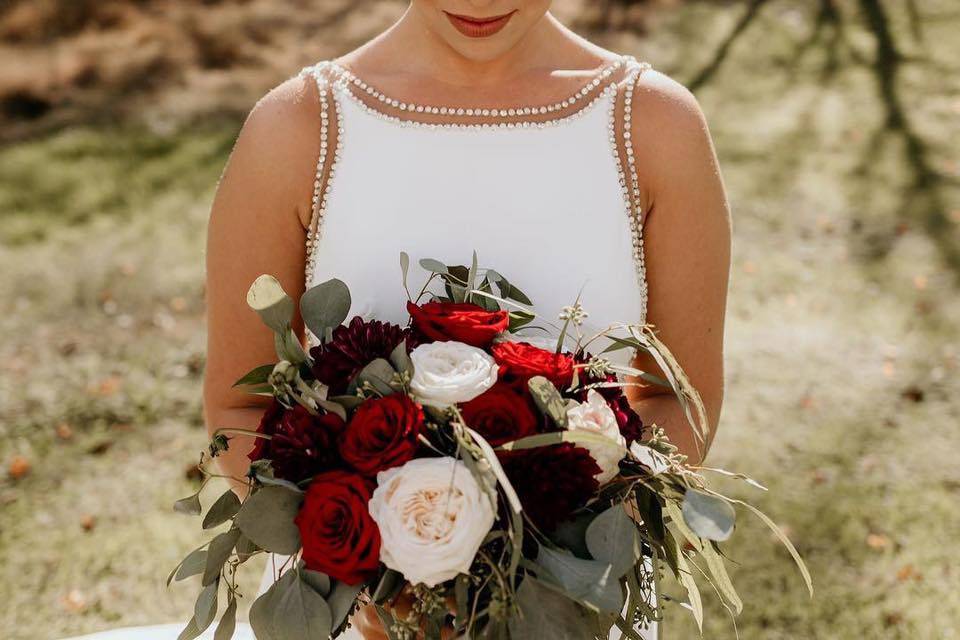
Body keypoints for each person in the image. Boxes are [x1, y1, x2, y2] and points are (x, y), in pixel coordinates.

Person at [66, 1, 731, 639]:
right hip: (360, 611)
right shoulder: (299, 129)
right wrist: (378, 577)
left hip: (575, 603)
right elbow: (238, 406)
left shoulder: (651, 126)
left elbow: (683, 400)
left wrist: (548, 568)